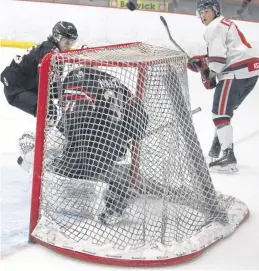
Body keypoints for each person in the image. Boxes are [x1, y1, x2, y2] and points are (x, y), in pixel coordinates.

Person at [187, 0, 259, 172]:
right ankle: (217, 147)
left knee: (219, 112)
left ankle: (228, 157)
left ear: (215, 11)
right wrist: (204, 61)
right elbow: (225, 51)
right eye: (201, 12)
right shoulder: (224, 23)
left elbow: (218, 61)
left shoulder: (213, 27)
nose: (203, 15)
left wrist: (207, 74)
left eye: (206, 11)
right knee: (224, 112)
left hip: (236, 72)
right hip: (251, 71)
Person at [0, 21, 78, 117]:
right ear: (56, 36)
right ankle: (41, 133)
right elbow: (46, 85)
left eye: (72, 42)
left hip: (24, 86)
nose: (69, 46)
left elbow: (50, 84)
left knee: (51, 110)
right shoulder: (51, 53)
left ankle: (44, 131)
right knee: (49, 111)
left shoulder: (50, 49)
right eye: (67, 42)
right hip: (17, 90)